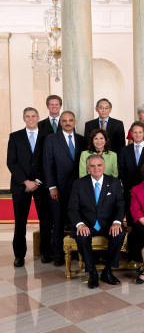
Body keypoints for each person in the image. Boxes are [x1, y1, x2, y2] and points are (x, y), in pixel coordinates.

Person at [68, 154, 125, 289]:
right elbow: (72, 209)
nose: (96, 168)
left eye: (99, 165)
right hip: (87, 224)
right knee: (82, 236)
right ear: (88, 168)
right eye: (92, 166)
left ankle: (108, 270)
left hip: (108, 223)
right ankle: (92, 272)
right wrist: (80, 224)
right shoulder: (78, 184)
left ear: (104, 167)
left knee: (120, 233)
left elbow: (121, 205)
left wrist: (117, 222)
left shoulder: (115, 183)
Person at [7, 107, 52, 266]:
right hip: (20, 186)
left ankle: (46, 252)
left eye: (33, 116)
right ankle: (19, 255)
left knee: (45, 220)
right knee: (20, 222)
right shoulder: (15, 136)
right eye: (28, 116)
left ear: (38, 118)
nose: (31, 119)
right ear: (24, 118)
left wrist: (37, 181)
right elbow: (11, 162)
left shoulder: (47, 137)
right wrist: (26, 181)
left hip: (42, 184)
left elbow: (48, 160)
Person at [43, 111, 86, 266]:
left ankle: (76, 251)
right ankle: (58, 254)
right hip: (58, 188)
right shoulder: (51, 139)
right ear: (60, 123)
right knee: (58, 222)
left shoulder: (82, 139)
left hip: (78, 189)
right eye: (64, 121)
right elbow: (48, 164)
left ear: (75, 122)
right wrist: (52, 186)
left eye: (70, 120)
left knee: (77, 221)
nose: (67, 123)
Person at [118, 121, 144, 231]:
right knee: (131, 219)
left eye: (140, 132)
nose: (137, 135)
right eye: (135, 132)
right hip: (129, 190)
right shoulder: (124, 150)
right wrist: (129, 188)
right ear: (131, 133)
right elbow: (121, 171)